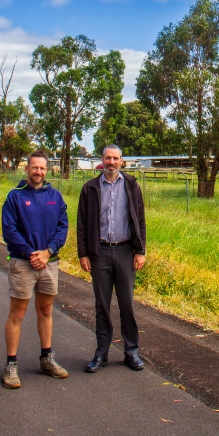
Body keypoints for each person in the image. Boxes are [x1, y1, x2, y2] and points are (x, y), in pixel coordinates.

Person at [1, 149, 69, 389]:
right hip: (23, 263)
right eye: (34, 167)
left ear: (47, 170)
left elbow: (63, 227)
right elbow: (9, 231)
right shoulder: (14, 196)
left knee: (46, 311)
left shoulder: (55, 196)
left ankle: (46, 358)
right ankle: (11, 365)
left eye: (42, 167)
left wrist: (47, 252)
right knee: (17, 313)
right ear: (26, 169)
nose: (38, 171)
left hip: (49, 263)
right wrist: (32, 253)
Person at [77, 144, 146, 372]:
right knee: (102, 306)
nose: (112, 162)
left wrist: (140, 250)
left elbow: (140, 220)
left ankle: (131, 351)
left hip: (126, 251)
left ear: (121, 161)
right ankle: (101, 353)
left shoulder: (131, 186)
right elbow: (82, 224)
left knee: (126, 304)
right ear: (101, 160)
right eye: (108, 158)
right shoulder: (90, 188)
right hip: (101, 253)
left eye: (116, 158)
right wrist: (84, 253)